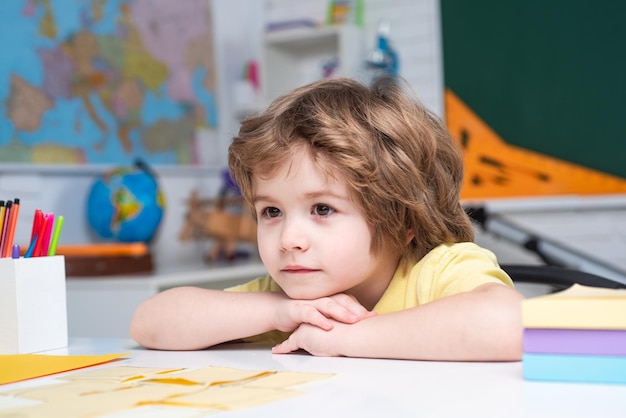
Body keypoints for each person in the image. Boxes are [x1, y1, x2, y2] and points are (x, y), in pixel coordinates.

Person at [130, 77, 524, 361]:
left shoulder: (439, 272)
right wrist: (275, 312)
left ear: (403, 221)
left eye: (322, 209)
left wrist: (346, 337)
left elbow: (512, 325)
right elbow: (149, 322)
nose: (289, 239)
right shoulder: (290, 298)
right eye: (271, 211)